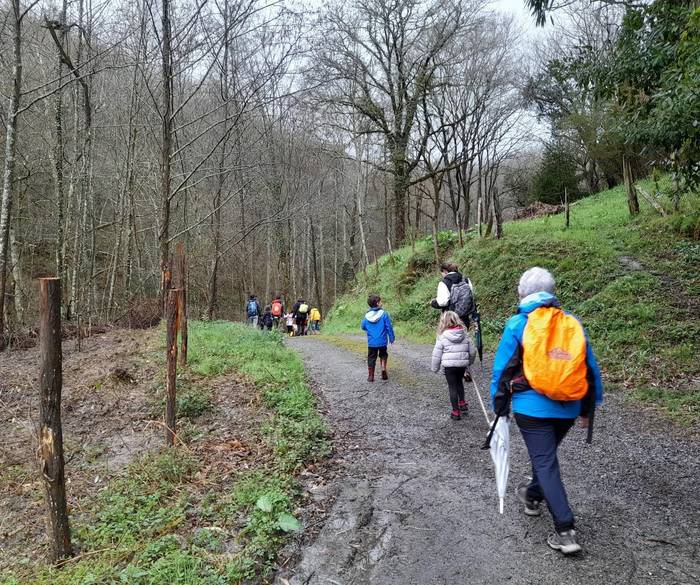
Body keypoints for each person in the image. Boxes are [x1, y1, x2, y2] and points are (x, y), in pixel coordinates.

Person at [490, 267, 603, 555]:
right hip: (568, 407)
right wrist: (587, 409)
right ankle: (532, 496)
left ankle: (565, 530)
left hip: (532, 409)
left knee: (545, 462)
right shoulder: (571, 323)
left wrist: (498, 408)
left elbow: (501, 370)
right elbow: (590, 369)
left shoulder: (518, 324)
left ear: (524, 293)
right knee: (545, 459)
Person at [430, 311, 476, 420]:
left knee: (452, 386)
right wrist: (469, 362)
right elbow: (473, 352)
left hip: (449, 367)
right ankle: (462, 403)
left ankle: (456, 412)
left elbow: (436, 354)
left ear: (443, 322)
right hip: (461, 366)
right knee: (459, 382)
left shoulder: (442, 336)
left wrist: (434, 368)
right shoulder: (464, 334)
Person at [361, 294, 395, 382]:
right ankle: (383, 368)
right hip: (382, 341)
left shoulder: (367, 316)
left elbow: (363, 326)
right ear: (377, 303)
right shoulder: (384, 314)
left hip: (372, 342)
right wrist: (391, 338)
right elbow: (389, 327)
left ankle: (371, 376)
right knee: (383, 354)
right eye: (380, 302)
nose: (381, 303)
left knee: (371, 357)